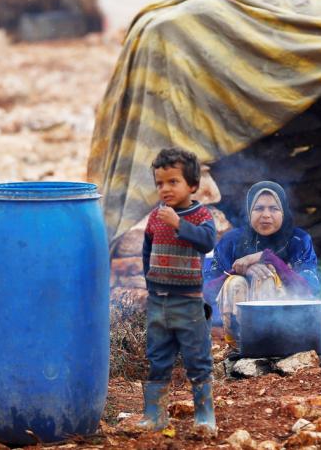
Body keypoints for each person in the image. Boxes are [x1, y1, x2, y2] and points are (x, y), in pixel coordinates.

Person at [139, 147, 217, 434]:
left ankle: (205, 415)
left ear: (192, 185)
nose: (165, 189)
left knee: (198, 358)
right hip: (158, 301)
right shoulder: (154, 217)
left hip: (188, 302)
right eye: (160, 183)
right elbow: (146, 251)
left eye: (173, 182)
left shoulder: (200, 216)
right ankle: (154, 415)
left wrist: (179, 224)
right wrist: (150, 285)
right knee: (157, 357)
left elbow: (207, 242)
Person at [203, 181, 321, 345]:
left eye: (274, 208)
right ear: (249, 212)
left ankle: (270, 342)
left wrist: (268, 257)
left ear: (283, 213)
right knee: (235, 282)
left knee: (265, 277)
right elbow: (206, 292)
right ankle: (238, 343)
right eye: (259, 208)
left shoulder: (298, 240)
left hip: (288, 328)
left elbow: (310, 288)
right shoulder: (232, 241)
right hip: (237, 335)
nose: (266, 215)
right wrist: (238, 270)